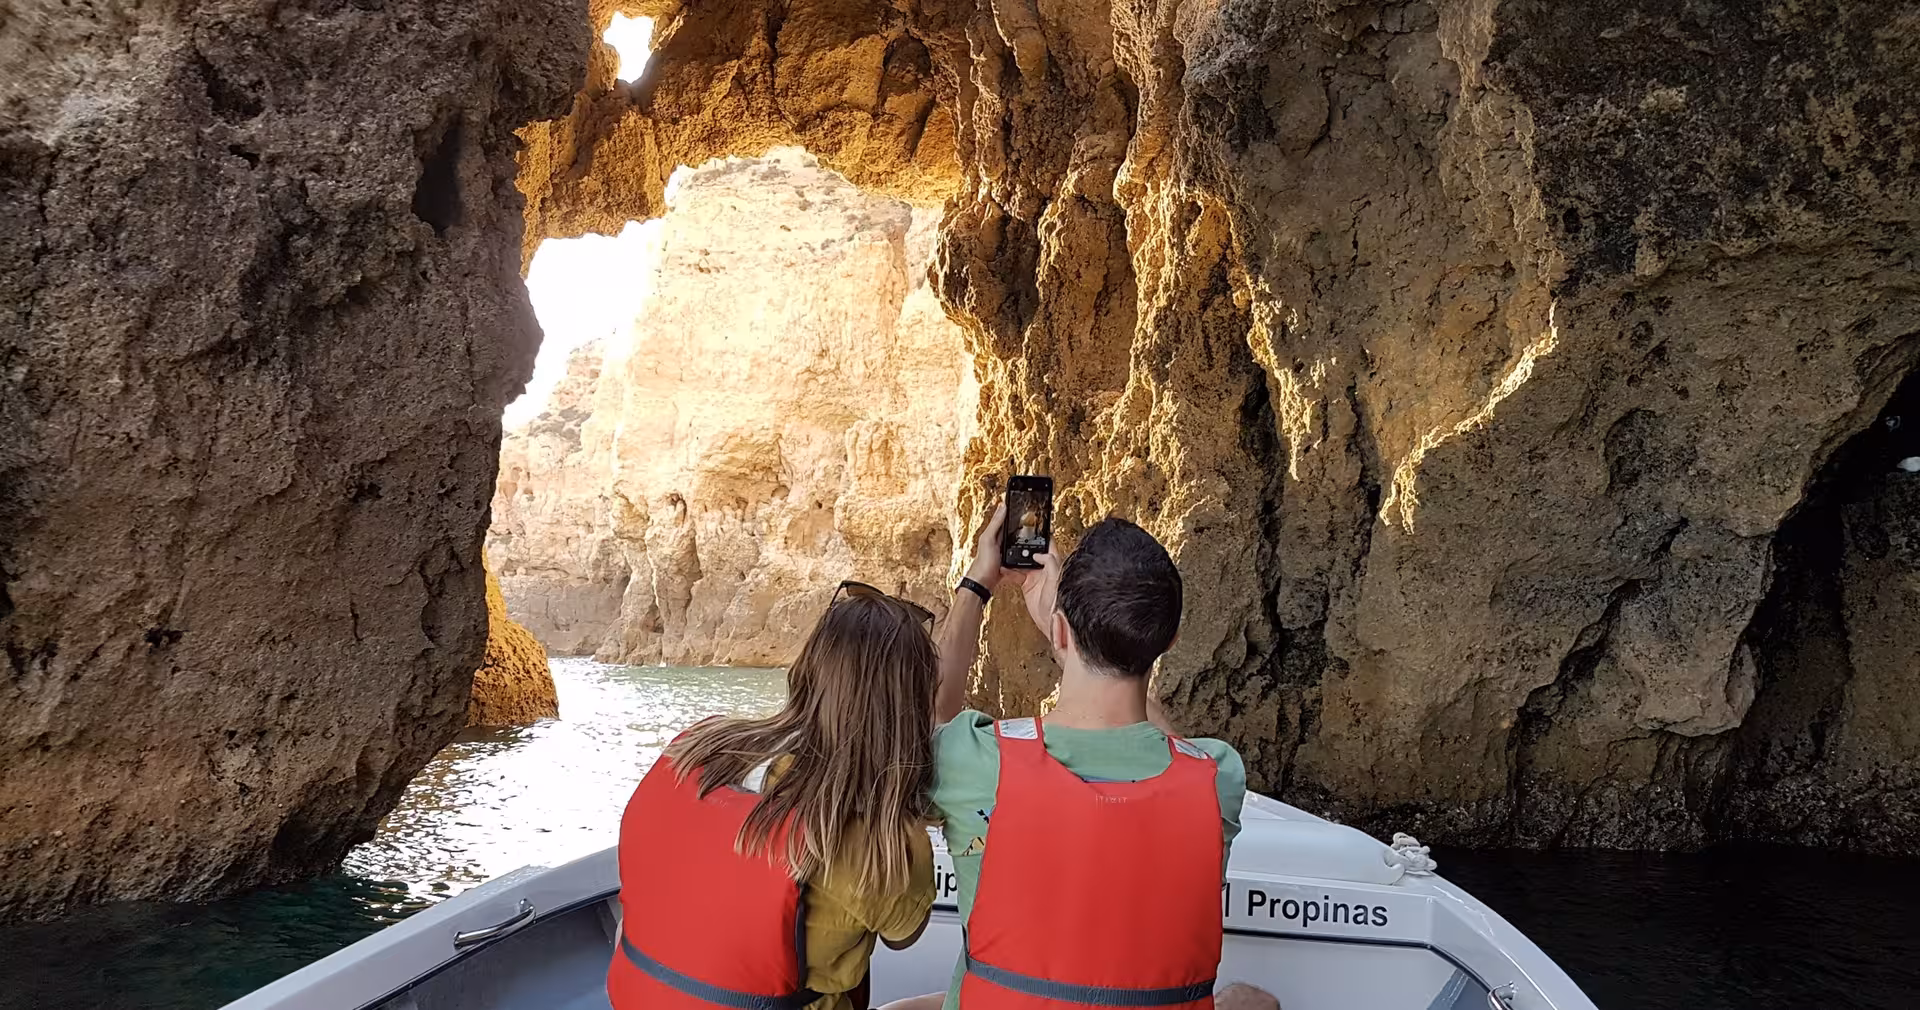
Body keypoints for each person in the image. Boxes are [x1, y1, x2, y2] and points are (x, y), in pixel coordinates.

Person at [889, 504, 1248, 1010]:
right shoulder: (1218, 778)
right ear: (1168, 641)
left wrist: (976, 586)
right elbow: (1173, 749)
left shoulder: (973, 758)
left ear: (1060, 631)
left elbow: (929, 716)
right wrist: (1077, 644)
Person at [609, 581, 940, 1010]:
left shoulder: (699, 749)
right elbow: (904, 936)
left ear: (807, 670)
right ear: (913, 710)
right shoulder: (876, 841)